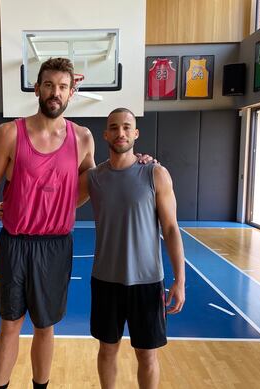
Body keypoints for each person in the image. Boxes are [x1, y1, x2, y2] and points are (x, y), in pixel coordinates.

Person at [0, 57, 153, 389]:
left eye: (62, 87)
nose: (55, 93)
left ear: (72, 92)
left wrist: (138, 161)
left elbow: (96, 180)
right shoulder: (8, 134)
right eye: (48, 85)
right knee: (10, 325)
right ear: (37, 88)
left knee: (45, 327)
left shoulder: (83, 138)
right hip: (15, 243)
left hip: (56, 245)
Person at [78, 108, 185, 389]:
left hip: (147, 282)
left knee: (147, 354)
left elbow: (171, 229)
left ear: (136, 133)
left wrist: (180, 281)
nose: (120, 133)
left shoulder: (155, 174)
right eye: (114, 127)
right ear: (105, 134)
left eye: (127, 127)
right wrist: (10, 206)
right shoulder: (94, 178)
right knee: (107, 350)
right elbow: (55, 199)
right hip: (105, 281)